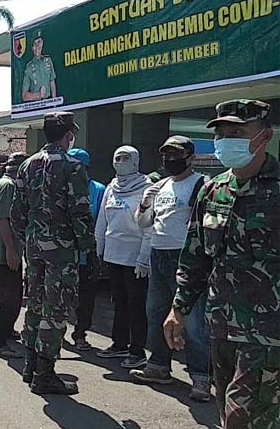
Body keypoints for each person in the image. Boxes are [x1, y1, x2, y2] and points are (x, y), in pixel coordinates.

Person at [166, 99, 279, 429]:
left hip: (268, 334)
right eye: (222, 133)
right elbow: (196, 255)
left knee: (243, 418)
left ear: (265, 136)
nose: (227, 140)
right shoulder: (213, 190)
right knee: (229, 410)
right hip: (221, 327)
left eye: (238, 132)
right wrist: (179, 309)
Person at [12, 112, 95, 395]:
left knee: (35, 303)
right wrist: (88, 247)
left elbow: (17, 212)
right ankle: (45, 375)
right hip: (61, 248)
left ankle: (30, 365)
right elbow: (79, 210)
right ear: (67, 134)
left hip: (34, 245)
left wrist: (29, 238)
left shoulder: (27, 165)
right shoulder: (72, 166)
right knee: (56, 307)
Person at [132, 135, 211, 402]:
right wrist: (145, 203)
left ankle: (201, 377)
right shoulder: (160, 185)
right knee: (155, 312)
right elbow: (143, 222)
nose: (170, 160)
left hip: (186, 257)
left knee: (192, 321)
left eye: (176, 155)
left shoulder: (201, 184)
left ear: (190, 157)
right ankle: (158, 366)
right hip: (158, 254)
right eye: (166, 155)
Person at [93, 146, 152, 369]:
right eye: (117, 158)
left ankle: (137, 351)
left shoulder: (146, 188)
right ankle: (119, 344)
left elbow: (149, 226)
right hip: (113, 254)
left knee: (136, 304)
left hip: (135, 256)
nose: (121, 161)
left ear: (136, 161)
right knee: (118, 302)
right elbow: (102, 220)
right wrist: (99, 248)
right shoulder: (111, 187)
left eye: (126, 158)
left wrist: (144, 257)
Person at [0, 152, 28, 360]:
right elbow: (3, 220)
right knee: (9, 299)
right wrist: (11, 250)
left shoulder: (5, 184)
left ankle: (8, 331)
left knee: (14, 294)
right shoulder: (9, 186)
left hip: (8, 250)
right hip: (5, 252)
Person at [66, 148, 106, 351]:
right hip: (64, 254)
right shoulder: (63, 187)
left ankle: (80, 333)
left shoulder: (99, 190)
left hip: (87, 253)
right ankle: (59, 331)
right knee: (61, 296)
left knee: (86, 297)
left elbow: (101, 221)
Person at [21, 30, 57, 102]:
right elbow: (24, 96)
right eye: (34, 44)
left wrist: (54, 103)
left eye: (39, 42)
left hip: (49, 104)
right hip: (36, 106)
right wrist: (38, 95)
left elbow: (52, 82)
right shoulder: (29, 67)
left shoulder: (48, 60)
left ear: (42, 43)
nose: (37, 46)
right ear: (32, 48)